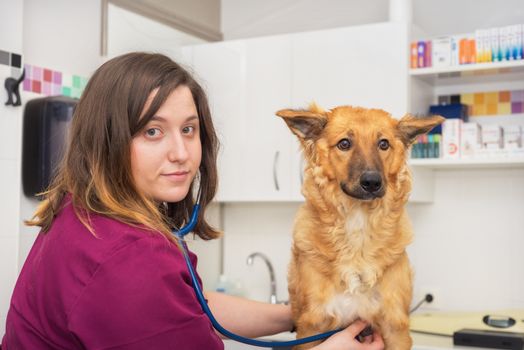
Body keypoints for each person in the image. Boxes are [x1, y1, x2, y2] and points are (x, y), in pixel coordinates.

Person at [1, 52, 384, 350]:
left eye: (189, 129)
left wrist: (302, 315)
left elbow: (192, 308)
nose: (182, 153)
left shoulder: (82, 213)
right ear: (107, 141)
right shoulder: (128, 257)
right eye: (153, 131)